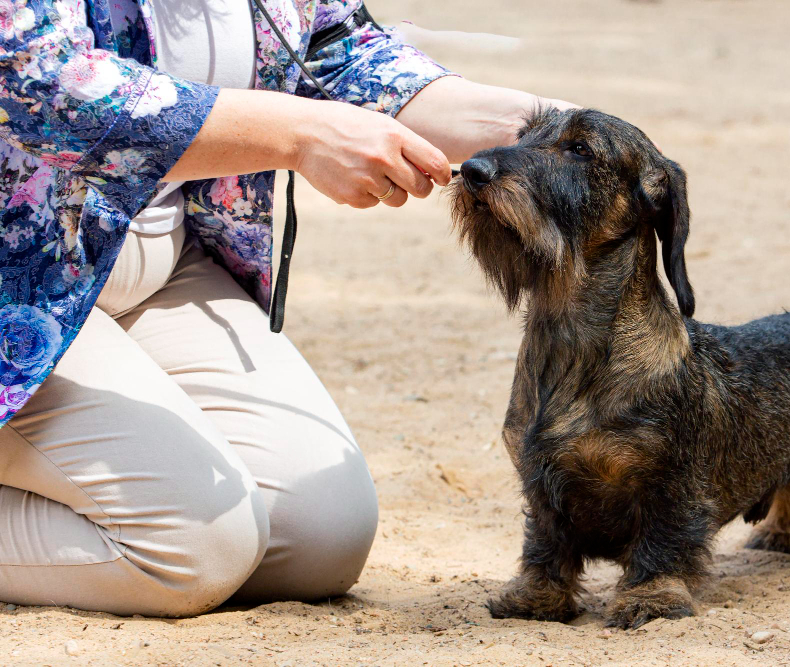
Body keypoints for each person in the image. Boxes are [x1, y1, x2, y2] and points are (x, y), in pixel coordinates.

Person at [0, 0, 570, 617]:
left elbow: (340, 53)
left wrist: (549, 125)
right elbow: (47, 87)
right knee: (191, 545)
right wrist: (301, 134)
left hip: (151, 269)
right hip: (17, 284)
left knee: (316, 536)